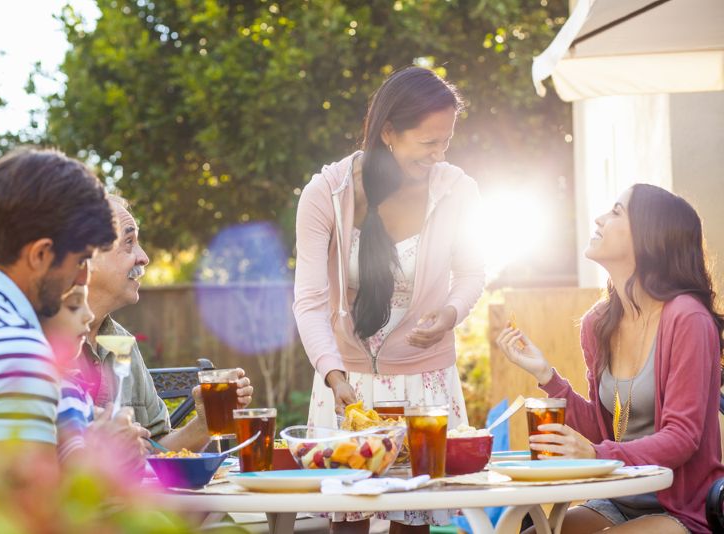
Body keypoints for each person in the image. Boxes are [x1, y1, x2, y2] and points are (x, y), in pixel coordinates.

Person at [293, 66, 485, 533]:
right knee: (348, 521)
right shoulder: (327, 193)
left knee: (414, 523)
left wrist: (451, 313)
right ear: (389, 132)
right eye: (428, 143)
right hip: (349, 385)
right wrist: (333, 375)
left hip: (425, 382)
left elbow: (473, 272)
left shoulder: (457, 189)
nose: (439, 154)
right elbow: (310, 300)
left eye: (446, 142)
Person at [497, 184, 724, 534]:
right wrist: (546, 376)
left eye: (617, 212)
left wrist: (595, 454)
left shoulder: (687, 318)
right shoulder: (598, 323)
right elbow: (606, 431)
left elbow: (682, 437)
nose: (600, 219)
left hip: (682, 510)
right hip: (617, 501)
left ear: (651, 237)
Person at [0, 147, 117, 509]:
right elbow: (26, 517)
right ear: (40, 254)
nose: (82, 278)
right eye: (81, 260)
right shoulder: (16, 348)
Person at [80, 195, 254, 451]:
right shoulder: (39, 342)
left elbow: (160, 448)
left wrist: (204, 423)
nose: (144, 258)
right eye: (129, 243)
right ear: (86, 257)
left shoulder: (122, 343)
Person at [41, 284, 149, 470]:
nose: (89, 315)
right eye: (75, 306)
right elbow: (76, 476)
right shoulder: (57, 394)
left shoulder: (75, 393)